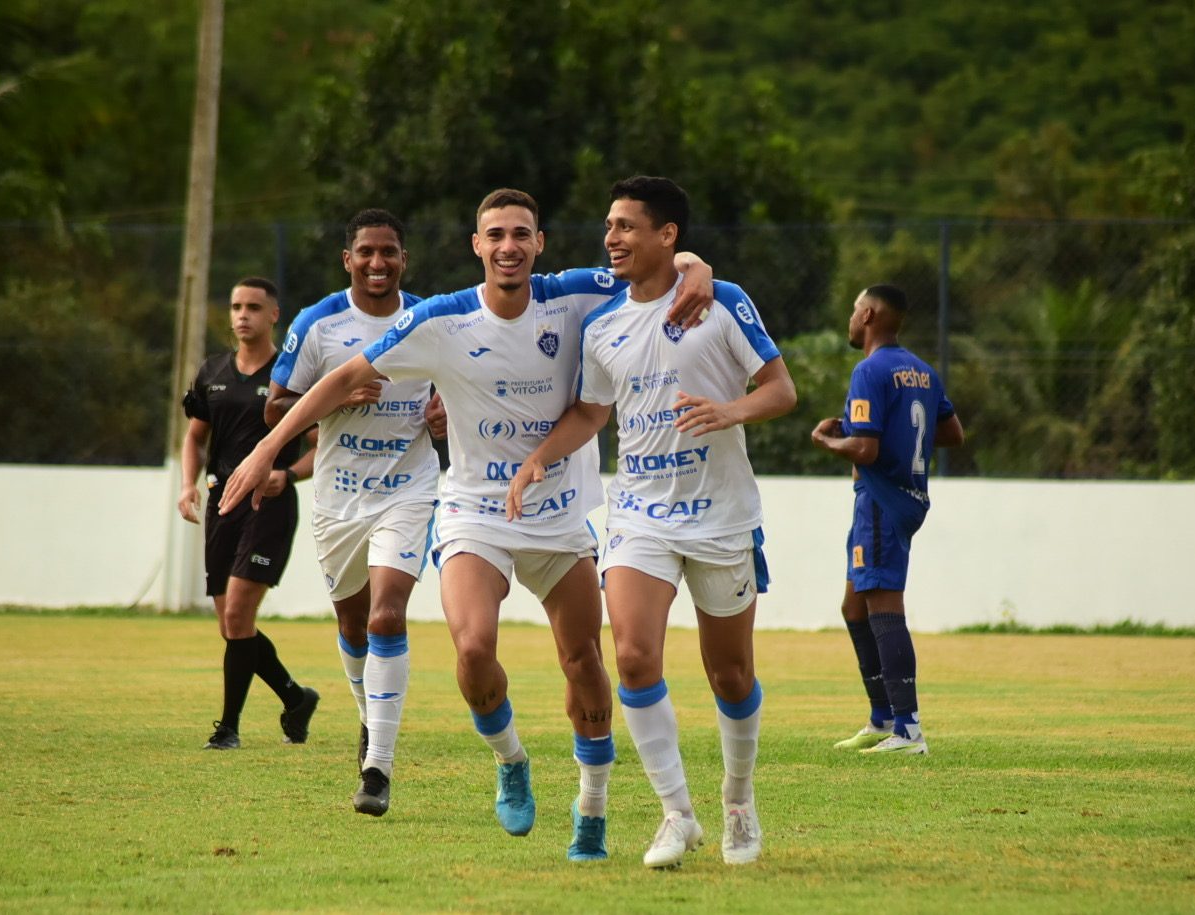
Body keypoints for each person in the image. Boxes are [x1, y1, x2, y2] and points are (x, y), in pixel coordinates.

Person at [217, 188, 712, 862]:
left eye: (520, 234)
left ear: (538, 244)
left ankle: (591, 805)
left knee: (582, 658)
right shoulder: (441, 318)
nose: (507, 245)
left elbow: (662, 264)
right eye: (494, 235)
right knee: (473, 649)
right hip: (475, 509)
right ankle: (510, 759)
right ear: (475, 246)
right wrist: (264, 450)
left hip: (560, 511)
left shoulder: (576, 293)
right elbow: (342, 381)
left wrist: (695, 262)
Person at [506, 177, 797, 868]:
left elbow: (781, 389)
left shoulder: (720, 300)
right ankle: (676, 812)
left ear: (667, 236)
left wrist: (730, 410)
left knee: (729, 672)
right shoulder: (601, 320)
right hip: (639, 513)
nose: (612, 237)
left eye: (628, 226)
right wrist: (536, 460)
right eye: (609, 224)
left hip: (722, 514)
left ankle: (737, 801)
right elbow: (591, 411)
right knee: (632, 656)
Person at [267, 209, 444, 817]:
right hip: (338, 496)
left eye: (388, 251)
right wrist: (336, 395)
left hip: (409, 489)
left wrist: (448, 412)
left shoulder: (430, 318)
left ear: (403, 258)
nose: (377, 262)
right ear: (348, 259)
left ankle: (378, 769)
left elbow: (465, 385)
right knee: (352, 623)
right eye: (366, 251)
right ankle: (369, 717)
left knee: (387, 616)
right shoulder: (318, 324)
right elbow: (276, 409)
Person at [810, 283, 964, 756]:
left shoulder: (869, 370)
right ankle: (881, 719)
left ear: (871, 314)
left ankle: (908, 729)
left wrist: (825, 440)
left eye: (855, 309)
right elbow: (952, 433)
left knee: (883, 606)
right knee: (854, 606)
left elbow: (864, 449)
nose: (851, 318)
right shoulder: (921, 370)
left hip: (880, 498)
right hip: (910, 495)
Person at [177, 276, 320, 751]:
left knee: (238, 614)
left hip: (269, 506)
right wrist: (186, 487)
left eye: (254, 307)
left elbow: (321, 447)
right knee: (231, 626)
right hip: (223, 503)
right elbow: (195, 436)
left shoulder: (293, 374)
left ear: (274, 315)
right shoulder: (212, 370)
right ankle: (295, 697)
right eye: (237, 306)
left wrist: (289, 474)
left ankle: (228, 728)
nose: (243, 315)